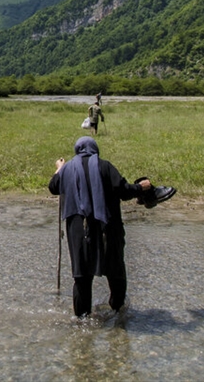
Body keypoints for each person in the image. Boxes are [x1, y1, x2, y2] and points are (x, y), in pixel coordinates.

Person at [49, 136, 176, 318]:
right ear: (95, 149)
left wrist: (59, 169)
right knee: (115, 270)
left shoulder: (67, 170)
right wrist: (141, 187)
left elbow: (53, 187)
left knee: (82, 276)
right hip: (107, 228)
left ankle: (82, 322)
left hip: (78, 232)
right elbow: (124, 191)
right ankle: (118, 312)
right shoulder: (104, 166)